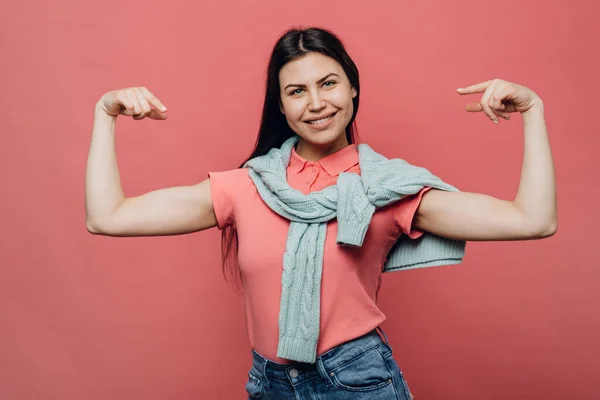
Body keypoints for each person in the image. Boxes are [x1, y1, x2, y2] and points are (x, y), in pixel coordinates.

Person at [85, 27, 556, 400]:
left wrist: (533, 110)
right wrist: (104, 115)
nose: (316, 103)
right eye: (297, 91)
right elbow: (108, 217)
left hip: (358, 379)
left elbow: (532, 220)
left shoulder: (386, 188)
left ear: (352, 88)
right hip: (269, 383)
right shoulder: (249, 186)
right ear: (283, 106)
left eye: (328, 83)